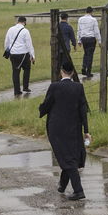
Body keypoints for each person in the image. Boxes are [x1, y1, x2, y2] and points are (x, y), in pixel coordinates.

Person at [39, 63, 90, 200]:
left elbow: (46, 105)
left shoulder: (54, 87)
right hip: (74, 128)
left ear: (61, 72)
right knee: (68, 155)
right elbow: (83, 110)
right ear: (72, 72)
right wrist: (86, 130)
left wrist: (41, 109)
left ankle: (78, 190)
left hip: (57, 128)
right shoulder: (78, 87)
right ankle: (62, 185)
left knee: (66, 157)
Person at [4, 16, 35, 96]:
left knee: (15, 72)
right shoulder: (25, 31)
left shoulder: (10, 29)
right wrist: (32, 56)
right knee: (27, 69)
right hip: (24, 54)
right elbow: (29, 44)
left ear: (17, 21)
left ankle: (17, 91)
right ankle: (25, 87)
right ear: (24, 22)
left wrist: (8, 51)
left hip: (13, 54)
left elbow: (6, 42)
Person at [76, 6, 100, 79]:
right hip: (91, 38)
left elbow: (79, 30)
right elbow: (96, 31)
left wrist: (79, 40)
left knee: (86, 53)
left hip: (84, 38)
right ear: (91, 12)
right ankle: (88, 71)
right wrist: (99, 40)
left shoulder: (80, 19)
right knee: (90, 55)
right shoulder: (93, 20)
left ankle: (84, 67)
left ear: (86, 11)